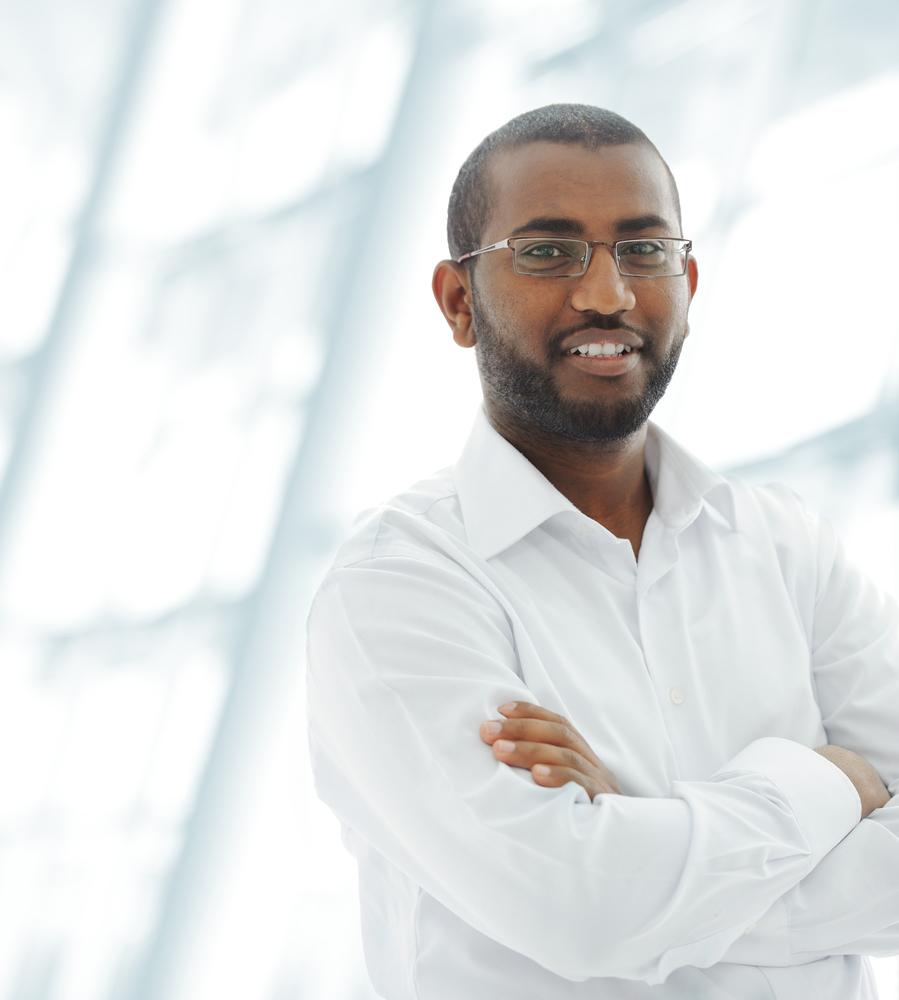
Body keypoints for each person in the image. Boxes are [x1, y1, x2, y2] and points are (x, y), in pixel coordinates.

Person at [305, 104, 899, 999]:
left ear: (689, 283)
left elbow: (611, 905)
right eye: (546, 251)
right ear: (459, 302)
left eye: (643, 249)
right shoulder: (398, 585)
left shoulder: (789, 551)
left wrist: (641, 835)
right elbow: (579, 910)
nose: (606, 294)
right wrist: (820, 786)